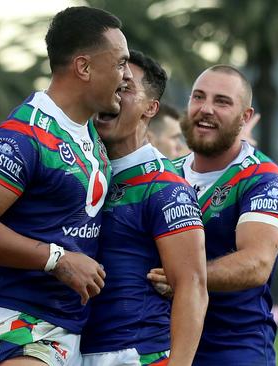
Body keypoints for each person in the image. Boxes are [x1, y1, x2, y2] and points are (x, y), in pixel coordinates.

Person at [0, 6, 132, 366]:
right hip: (16, 322)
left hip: (71, 327)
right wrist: (55, 259)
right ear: (84, 67)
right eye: (120, 63)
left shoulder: (90, 133)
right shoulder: (24, 136)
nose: (127, 76)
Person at [147, 65, 278, 365]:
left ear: (245, 117)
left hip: (234, 350)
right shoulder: (164, 175)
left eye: (222, 102)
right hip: (162, 348)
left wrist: (184, 277)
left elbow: (257, 264)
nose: (206, 109)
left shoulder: (263, 179)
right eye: (198, 97)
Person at [80, 50, 208, 366]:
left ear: (150, 108)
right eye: (112, 83)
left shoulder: (166, 186)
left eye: (126, 88)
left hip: (132, 356)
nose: (114, 95)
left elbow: (192, 286)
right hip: (69, 350)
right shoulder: (78, 172)